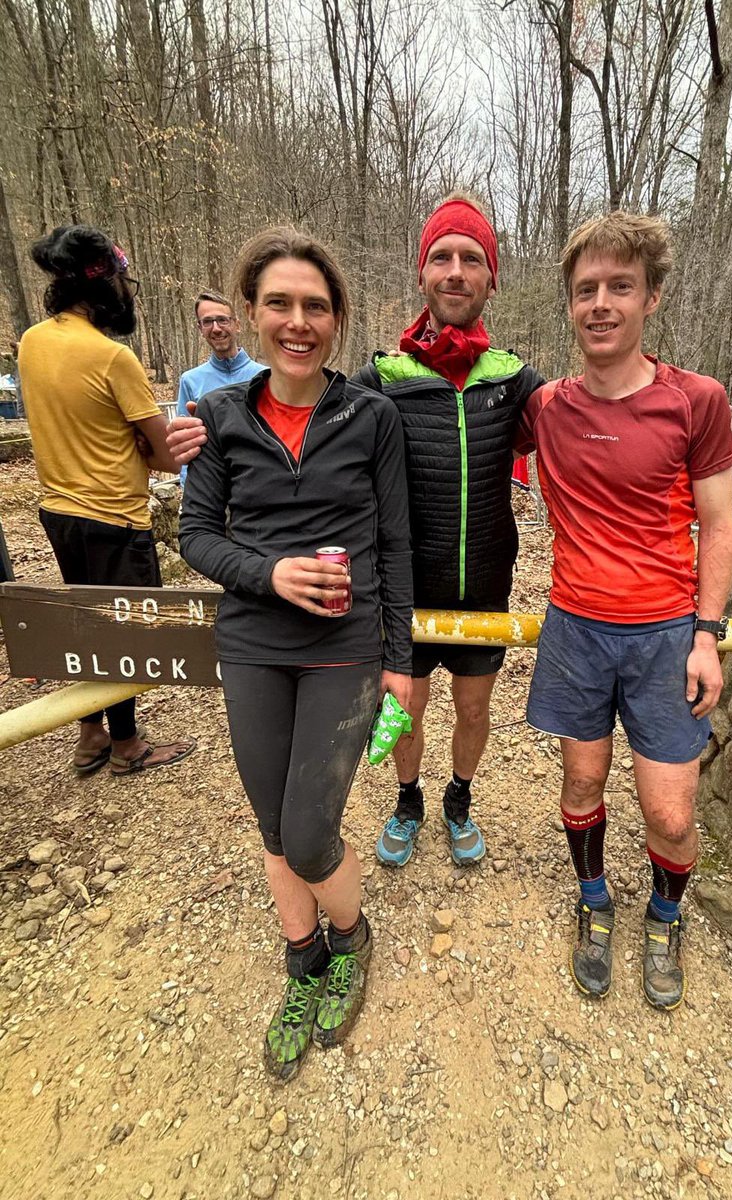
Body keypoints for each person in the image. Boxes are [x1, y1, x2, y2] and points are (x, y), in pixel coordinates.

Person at [168, 195, 543, 870]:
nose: (455, 272)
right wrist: (209, 434)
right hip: (402, 594)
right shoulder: (381, 380)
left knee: (476, 710)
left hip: (486, 582)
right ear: (421, 275)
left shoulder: (515, 381)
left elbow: (584, 430)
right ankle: (408, 800)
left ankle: (459, 798)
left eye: (472, 259)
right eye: (441, 257)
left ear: (493, 278)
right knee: (406, 711)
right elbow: (308, 410)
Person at [178, 228, 413, 1077]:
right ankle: (302, 958)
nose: (298, 321)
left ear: (338, 318)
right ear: (250, 313)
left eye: (316, 305)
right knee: (273, 823)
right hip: (251, 646)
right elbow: (196, 535)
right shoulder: (218, 417)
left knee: (312, 831)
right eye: (279, 303)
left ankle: (351, 937)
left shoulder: (371, 415)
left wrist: (399, 659)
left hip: (344, 649)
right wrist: (268, 573)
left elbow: (394, 544)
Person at [517, 212, 732, 1011]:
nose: (601, 303)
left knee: (672, 815)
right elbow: (452, 428)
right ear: (569, 304)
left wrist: (707, 636)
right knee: (581, 779)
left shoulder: (697, 400)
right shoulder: (543, 406)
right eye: (586, 290)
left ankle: (667, 912)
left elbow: (720, 524)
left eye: (620, 287)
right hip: (576, 626)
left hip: (664, 635)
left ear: (651, 298)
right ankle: (594, 898)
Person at [17, 225, 194, 777]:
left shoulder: (31, 342)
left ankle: (90, 733)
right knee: (128, 631)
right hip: (114, 515)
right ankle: (127, 744)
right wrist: (141, 446)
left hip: (58, 512)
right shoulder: (111, 358)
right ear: (103, 285)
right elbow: (168, 456)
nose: (128, 292)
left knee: (89, 623)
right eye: (123, 281)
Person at [175, 290, 262, 483]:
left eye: (222, 320)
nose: (216, 328)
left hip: (259, 484)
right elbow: (185, 443)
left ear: (237, 324)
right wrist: (187, 486)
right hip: (211, 487)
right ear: (200, 328)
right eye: (207, 322)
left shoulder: (266, 376)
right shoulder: (190, 381)